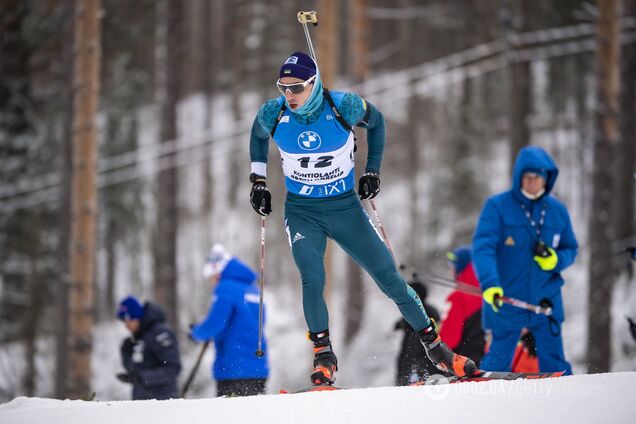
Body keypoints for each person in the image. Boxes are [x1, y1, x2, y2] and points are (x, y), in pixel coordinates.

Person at [248, 51, 477, 385]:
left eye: (296, 87)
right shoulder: (274, 112)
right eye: (283, 87)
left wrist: (372, 170)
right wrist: (258, 182)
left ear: (313, 83)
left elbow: (378, 122)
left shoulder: (344, 106)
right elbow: (256, 136)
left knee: (390, 280)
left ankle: (437, 349)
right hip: (302, 212)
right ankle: (323, 354)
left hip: (346, 209)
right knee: (312, 277)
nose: (289, 95)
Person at [473, 146, 578, 375]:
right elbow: (483, 249)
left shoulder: (558, 211)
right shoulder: (497, 206)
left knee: (555, 361)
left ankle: (565, 403)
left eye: (537, 177)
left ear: (547, 179)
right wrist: (490, 283)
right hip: (506, 297)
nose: (532, 182)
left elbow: (572, 248)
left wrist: (556, 260)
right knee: (498, 363)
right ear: (518, 176)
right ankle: (483, 402)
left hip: (546, 298)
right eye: (527, 176)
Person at [189, 244, 269, 397]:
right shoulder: (253, 290)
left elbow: (216, 322)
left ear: (218, 271)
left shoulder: (226, 288)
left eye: (212, 277)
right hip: (258, 368)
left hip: (234, 368)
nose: (213, 282)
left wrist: (196, 333)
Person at [116, 296, 181, 400]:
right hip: (142, 399)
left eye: (128, 320)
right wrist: (126, 354)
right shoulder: (139, 337)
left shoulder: (160, 334)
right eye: (124, 322)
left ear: (136, 317)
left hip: (163, 400)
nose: (126, 326)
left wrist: (142, 377)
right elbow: (135, 370)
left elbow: (172, 369)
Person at [439, 246, 486, 367]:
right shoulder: (488, 295)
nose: (451, 271)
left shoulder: (458, 297)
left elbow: (447, 340)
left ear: (461, 268)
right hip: (486, 363)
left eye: (452, 267)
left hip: (463, 365)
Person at [394, 279, 441, 385]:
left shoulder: (414, 312)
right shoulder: (429, 310)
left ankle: (411, 379)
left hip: (417, 357)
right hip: (427, 355)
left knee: (414, 357)